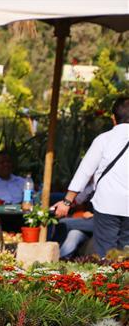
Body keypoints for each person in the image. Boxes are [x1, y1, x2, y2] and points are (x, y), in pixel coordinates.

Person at [53, 96, 129, 256]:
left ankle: (107, 280)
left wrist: (67, 201)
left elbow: (85, 172)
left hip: (107, 205)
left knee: (106, 254)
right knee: (126, 253)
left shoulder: (104, 140)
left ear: (113, 118)